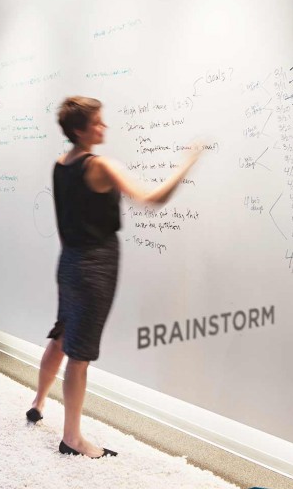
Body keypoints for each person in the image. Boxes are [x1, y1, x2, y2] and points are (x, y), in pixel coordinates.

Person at [26, 96, 202, 458]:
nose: (104, 127)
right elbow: (152, 198)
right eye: (97, 122)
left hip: (69, 262)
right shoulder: (100, 166)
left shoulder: (61, 164)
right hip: (95, 268)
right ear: (80, 130)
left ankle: (38, 402)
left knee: (61, 334)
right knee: (79, 355)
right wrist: (188, 162)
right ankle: (72, 439)